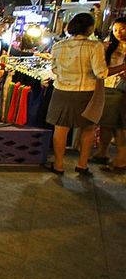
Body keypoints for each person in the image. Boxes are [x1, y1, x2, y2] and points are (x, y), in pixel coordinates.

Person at [45, 13, 126, 176]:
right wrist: (123, 66)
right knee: (88, 128)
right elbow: (101, 73)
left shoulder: (58, 46)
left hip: (61, 92)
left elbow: (54, 70)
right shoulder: (94, 46)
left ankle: (59, 165)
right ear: (89, 28)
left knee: (60, 129)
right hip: (87, 92)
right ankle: (82, 165)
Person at [92, 17, 126, 172]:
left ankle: (121, 158)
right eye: (116, 29)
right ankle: (102, 152)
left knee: (119, 125)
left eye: (123, 28)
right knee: (105, 122)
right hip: (107, 87)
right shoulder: (109, 46)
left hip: (122, 90)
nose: (119, 33)